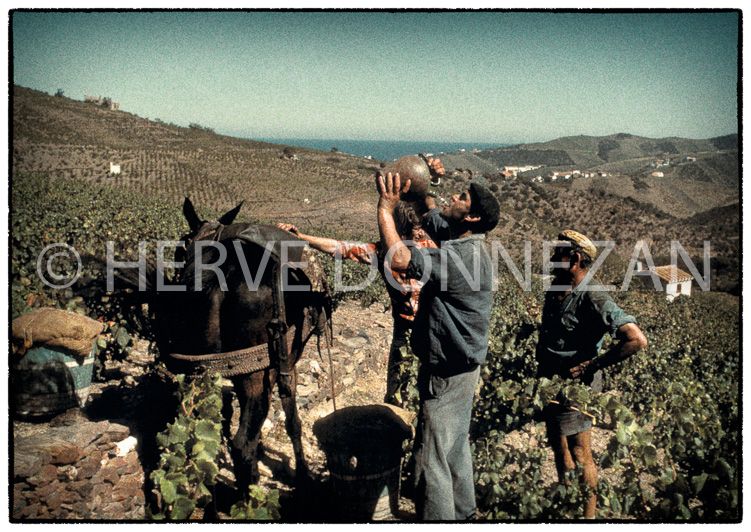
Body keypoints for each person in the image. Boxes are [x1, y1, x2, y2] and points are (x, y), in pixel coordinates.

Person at [376, 169, 500, 521]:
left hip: (447, 370)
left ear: (473, 216)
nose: (453, 199)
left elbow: (400, 259)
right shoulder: (466, 240)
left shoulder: (460, 259)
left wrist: (386, 209)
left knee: (431, 457)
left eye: (461, 198)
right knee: (454, 444)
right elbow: (432, 215)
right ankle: (465, 513)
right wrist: (425, 180)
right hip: (464, 367)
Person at [277, 200, 437, 406]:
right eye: (412, 231)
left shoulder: (431, 247)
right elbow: (340, 247)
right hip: (404, 329)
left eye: (419, 230)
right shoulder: (381, 252)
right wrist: (301, 237)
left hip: (433, 327)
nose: (419, 235)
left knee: (431, 390)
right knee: (396, 390)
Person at [537, 230, 648, 519]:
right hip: (549, 383)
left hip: (577, 389)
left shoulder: (593, 294)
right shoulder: (555, 287)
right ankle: (568, 502)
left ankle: (587, 517)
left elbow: (635, 338)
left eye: (558, 253)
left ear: (574, 259)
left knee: (580, 451)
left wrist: (591, 365)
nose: (551, 258)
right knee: (558, 445)